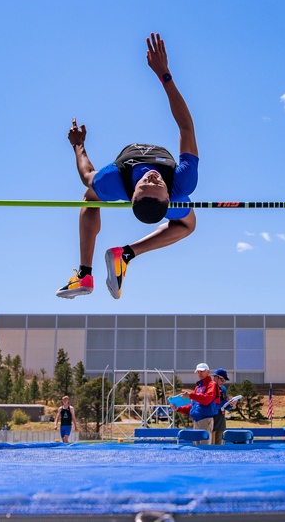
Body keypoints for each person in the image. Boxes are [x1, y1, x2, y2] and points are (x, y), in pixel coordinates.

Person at [57, 33, 199, 299]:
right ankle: (103, 265)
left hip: (120, 181)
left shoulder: (114, 182)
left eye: (149, 183)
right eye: (156, 184)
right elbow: (185, 127)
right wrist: (164, 75)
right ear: (168, 196)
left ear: (132, 193)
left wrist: (78, 145)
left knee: (91, 196)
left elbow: (88, 174)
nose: (154, 178)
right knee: (188, 224)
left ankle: (90, 271)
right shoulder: (182, 183)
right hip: (167, 191)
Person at [173, 363, 220, 444]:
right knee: (196, 448)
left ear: (208, 372)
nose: (199, 373)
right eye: (198, 372)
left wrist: (190, 395)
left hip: (205, 420)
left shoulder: (212, 385)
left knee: (204, 448)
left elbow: (207, 399)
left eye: (202, 371)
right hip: (196, 421)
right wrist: (178, 408)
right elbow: (193, 406)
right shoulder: (198, 387)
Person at [211, 368, 230, 445]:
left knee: (220, 448)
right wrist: (224, 403)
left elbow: (225, 406)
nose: (223, 382)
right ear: (215, 377)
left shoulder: (223, 389)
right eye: (221, 379)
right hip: (211, 421)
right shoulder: (210, 388)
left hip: (221, 421)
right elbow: (211, 405)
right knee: (210, 447)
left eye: (224, 380)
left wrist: (230, 404)